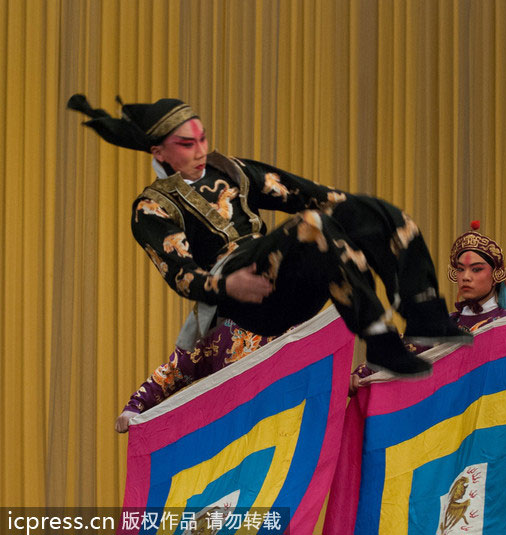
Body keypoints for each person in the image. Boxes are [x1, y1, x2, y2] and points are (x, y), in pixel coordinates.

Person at [68, 94, 471, 397]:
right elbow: (180, 273)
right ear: (159, 152)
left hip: (283, 278)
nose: (201, 150)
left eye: (203, 138)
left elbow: (307, 193)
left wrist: (365, 216)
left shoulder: (231, 169)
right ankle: (381, 344)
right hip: (238, 290)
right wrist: (226, 286)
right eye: (186, 144)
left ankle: (425, 320)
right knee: (313, 226)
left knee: (382, 214)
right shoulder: (153, 205)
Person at [350, 221, 506, 392]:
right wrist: (360, 375)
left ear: (496, 275)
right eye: (460, 269)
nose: (465, 277)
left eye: (476, 269)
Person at [114, 319, 274, 433]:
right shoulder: (215, 319)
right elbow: (176, 369)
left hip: (285, 426)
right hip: (235, 433)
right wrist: (136, 405)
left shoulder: (295, 313)